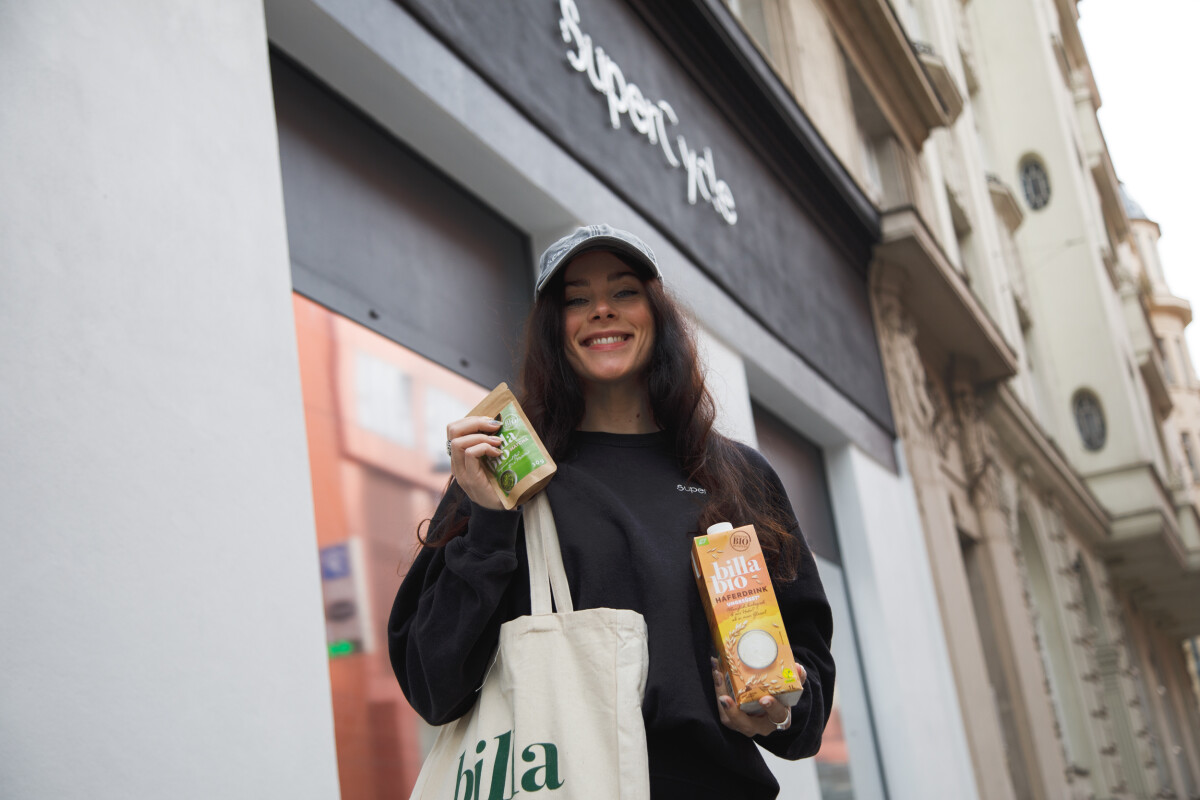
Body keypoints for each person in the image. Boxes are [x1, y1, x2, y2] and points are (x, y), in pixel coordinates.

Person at [389, 224, 835, 799]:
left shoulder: (739, 475)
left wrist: (781, 709)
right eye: (577, 299)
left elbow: (807, 676)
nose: (601, 310)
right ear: (556, 328)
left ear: (657, 313)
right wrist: (489, 519)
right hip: (559, 781)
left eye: (624, 292)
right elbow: (433, 685)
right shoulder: (507, 470)